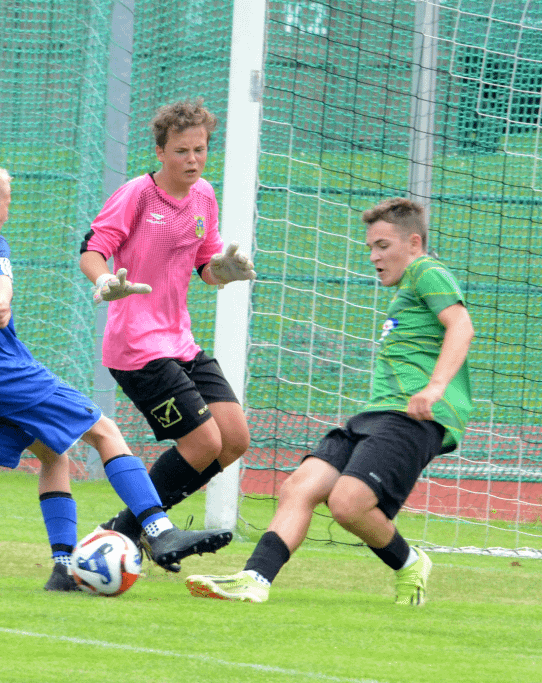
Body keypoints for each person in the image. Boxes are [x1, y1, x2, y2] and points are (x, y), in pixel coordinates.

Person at [0, 158, 233, 592]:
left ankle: (63, 569)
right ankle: (159, 530)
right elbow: (0, 278)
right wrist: (1, 300)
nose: (9, 210)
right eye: (7, 201)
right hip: (3, 372)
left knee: (54, 455)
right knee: (105, 432)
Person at [185, 198, 474, 605]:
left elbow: (461, 325)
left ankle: (410, 562)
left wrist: (435, 387)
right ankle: (254, 579)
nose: (374, 257)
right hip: (377, 412)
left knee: (348, 504)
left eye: (383, 246)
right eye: (370, 248)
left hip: (412, 415)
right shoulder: (406, 290)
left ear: (414, 242)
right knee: (299, 487)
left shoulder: (427, 270)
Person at [78, 99, 256, 571]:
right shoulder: (137, 194)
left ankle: (129, 529)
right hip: (136, 347)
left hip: (180, 341)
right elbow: (92, 249)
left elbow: (206, 266)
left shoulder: (204, 196)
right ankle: (139, 531)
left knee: (234, 439)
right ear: (160, 152)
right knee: (203, 443)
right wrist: (104, 280)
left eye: (200, 149)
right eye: (181, 151)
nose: (193, 160)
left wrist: (225, 270)